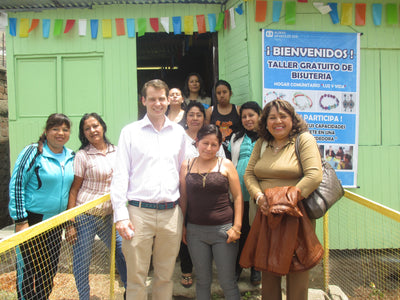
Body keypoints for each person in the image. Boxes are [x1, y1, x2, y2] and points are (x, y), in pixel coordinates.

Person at [240, 99, 324, 300]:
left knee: (297, 272)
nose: (278, 121)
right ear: (266, 122)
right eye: (272, 117)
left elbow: (314, 175)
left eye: (283, 116)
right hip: (265, 217)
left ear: (292, 120)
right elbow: (249, 174)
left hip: (296, 219)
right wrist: (260, 197)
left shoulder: (303, 140)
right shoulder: (262, 143)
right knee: (268, 273)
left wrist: (285, 200)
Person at [110, 79, 186, 300]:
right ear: (143, 101)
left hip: (171, 214)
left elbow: (181, 172)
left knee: (165, 276)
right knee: (136, 277)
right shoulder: (130, 132)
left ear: (168, 100)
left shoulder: (178, 134)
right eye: (152, 99)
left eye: (162, 98)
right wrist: (121, 216)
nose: (158, 103)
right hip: (137, 214)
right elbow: (120, 175)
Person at [9, 113, 75, 300]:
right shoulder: (34, 152)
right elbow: (17, 183)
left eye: (65, 129)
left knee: (48, 270)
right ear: (46, 131)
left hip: (56, 222)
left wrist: (69, 222)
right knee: (29, 270)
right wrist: (21, 220)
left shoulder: (70, 155)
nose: (60, 133)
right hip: (33, 220)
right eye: (55, 129)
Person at [66, 113, 127, 300]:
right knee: (82, 260)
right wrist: (70, 223)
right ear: (83, 133)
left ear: (103, 126)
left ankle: (130, 292)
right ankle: (84, 296)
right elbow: (74, 190)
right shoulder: (83, 155)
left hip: (110, 215)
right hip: (86, 215)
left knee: (122, 253)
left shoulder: (117, 151)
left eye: (95, 125)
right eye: (87, 128)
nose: (93, 130)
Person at [179, 124, 243, 300]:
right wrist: (183, 226)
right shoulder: (187, 165)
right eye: (205, 143)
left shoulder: (226, 164)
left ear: (220, 146)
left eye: (214, 145)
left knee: (227, 281)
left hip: (223, 231)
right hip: (195, 232)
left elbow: (237, 197)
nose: (209, 148)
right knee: (202, 280)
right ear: (197, 142)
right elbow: (183, 198)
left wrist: (236, 227)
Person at [178, 101, 225, 288]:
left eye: (199, 115)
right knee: (185, 230)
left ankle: (206, 271)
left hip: (208, 193)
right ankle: (186, 270)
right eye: (191, 114)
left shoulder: (211, 136)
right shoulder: (178, 138)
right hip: (183, 190)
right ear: (186, 117)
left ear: (204, 118)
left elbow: (222, 162)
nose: (195, 118)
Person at [228, 101, 262, 286]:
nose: (248, 119)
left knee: (256, 231)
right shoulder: (235, 137)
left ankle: (256, 268)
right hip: (238, 192)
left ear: (259, 116)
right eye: (244, 116)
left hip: (258, 193)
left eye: (251, 115)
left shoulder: (267, 137)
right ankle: (238, 267)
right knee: (240, 231)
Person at [206, 80, 241, 158]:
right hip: (216, 152)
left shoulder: (238, 110)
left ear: (230, 93)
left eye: (224, 92)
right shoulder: (210, 111)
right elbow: (206, 133)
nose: (222, 95)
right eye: (218, 93)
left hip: (235, 152)